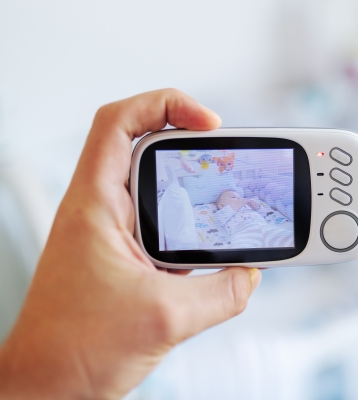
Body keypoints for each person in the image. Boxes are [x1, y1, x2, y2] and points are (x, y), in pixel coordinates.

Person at [0, 89, 262, 398]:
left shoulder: (237, 196)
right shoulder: (217, 199)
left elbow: (245, 201)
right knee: (177, 197)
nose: (232, 196)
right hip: (192, 205)